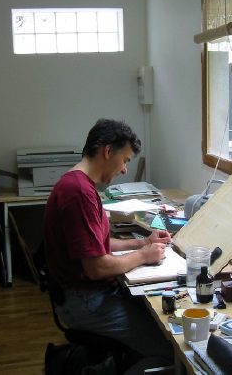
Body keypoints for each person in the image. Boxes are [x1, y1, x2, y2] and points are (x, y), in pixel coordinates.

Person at [44, 118, 174, 370]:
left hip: (84, 293)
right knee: (169, 349)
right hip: (84, 300)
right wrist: (144, 256)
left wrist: (142, 243)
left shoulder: (78, 183)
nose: (124, 169)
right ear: (107, 151)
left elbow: (96, 244)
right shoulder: (79, 193)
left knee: (154, 326)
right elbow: (97, 267)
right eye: (125, 160)